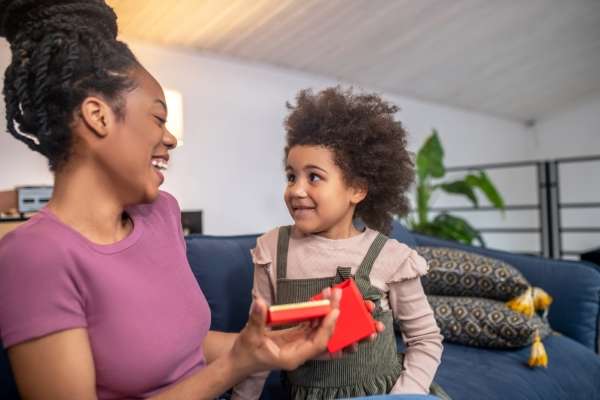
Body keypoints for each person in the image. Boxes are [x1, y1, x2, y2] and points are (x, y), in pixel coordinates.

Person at [0, 1, 367, 399]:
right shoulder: (35, 256)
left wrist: (276, 345)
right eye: (158, 118)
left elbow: (185, 348)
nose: (171, 138)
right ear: (98, 116)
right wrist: (234, 366)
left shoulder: (162, 213)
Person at [233, 87, 450, 399]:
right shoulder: (272, 251)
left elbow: (426, 338)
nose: (296, 190)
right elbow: (259, 343)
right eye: (291, 176)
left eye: (314, 177)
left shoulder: (390, 256)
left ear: (357, 189)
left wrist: (404, 396)